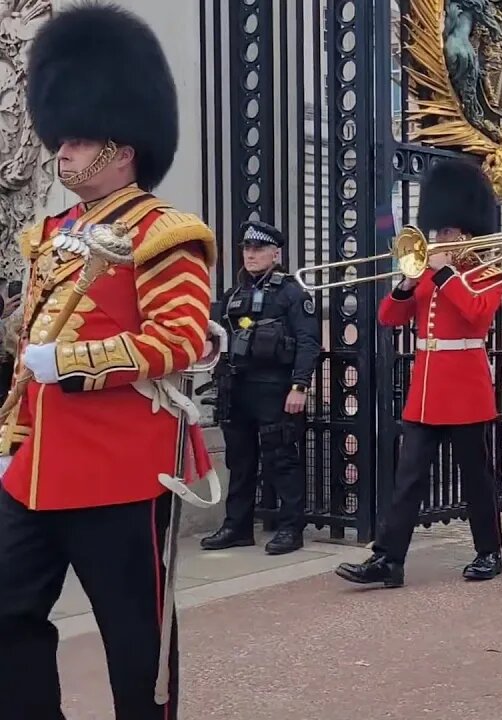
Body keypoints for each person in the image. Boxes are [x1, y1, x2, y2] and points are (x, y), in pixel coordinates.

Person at [0, 5, 217, 716]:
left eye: (79, 140)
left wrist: (72, 362)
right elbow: (28, 342)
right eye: (60, 138)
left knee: (135, 642)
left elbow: (178, 340)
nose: (62, 153)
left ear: (121, 148)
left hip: (119, 471)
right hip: (34, 467)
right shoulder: (50, 234)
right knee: (9, 614)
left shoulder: (165, 233)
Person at [336, 159, 502, 587]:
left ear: (467, 234)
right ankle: (388, 560)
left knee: (476, 479)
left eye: (447, 233)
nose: (439, 240)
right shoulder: (428, 273)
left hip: (465, 390)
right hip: (427, 391)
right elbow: (388, 317)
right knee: (408, 478)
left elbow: (476, 318)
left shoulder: (490, 274)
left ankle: (489, 551)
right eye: (439, 232)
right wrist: (405, 285)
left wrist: (446, 273)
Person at [201, 220, 320, 555]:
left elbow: (308, 342)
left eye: (258, 249)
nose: (250, 255)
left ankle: (290, 528)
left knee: (281, 459)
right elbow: (215, 339)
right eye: (247, 249)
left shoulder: (292, 292)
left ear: (275, 253)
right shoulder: (233, 294)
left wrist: (300, 386)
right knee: (239, 461)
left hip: (275, 388)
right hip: (237, 388)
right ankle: (237, 527)